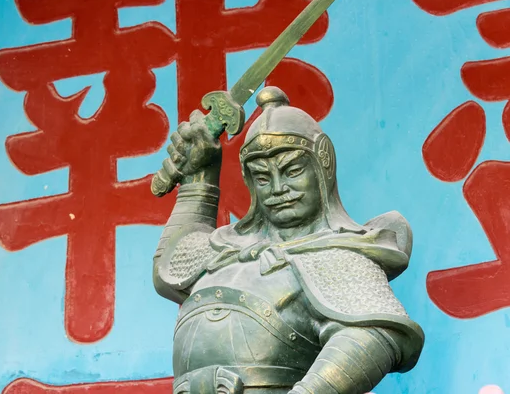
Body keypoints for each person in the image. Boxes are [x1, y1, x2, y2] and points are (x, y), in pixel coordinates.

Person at [152, 86, 424, 394]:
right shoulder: (226, 248)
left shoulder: (338, 253)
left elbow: (374, 334)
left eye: (292, 171)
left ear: (322, 164)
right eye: (263, 177)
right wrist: (198, 178)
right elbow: (169, 272)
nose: (278, 189)